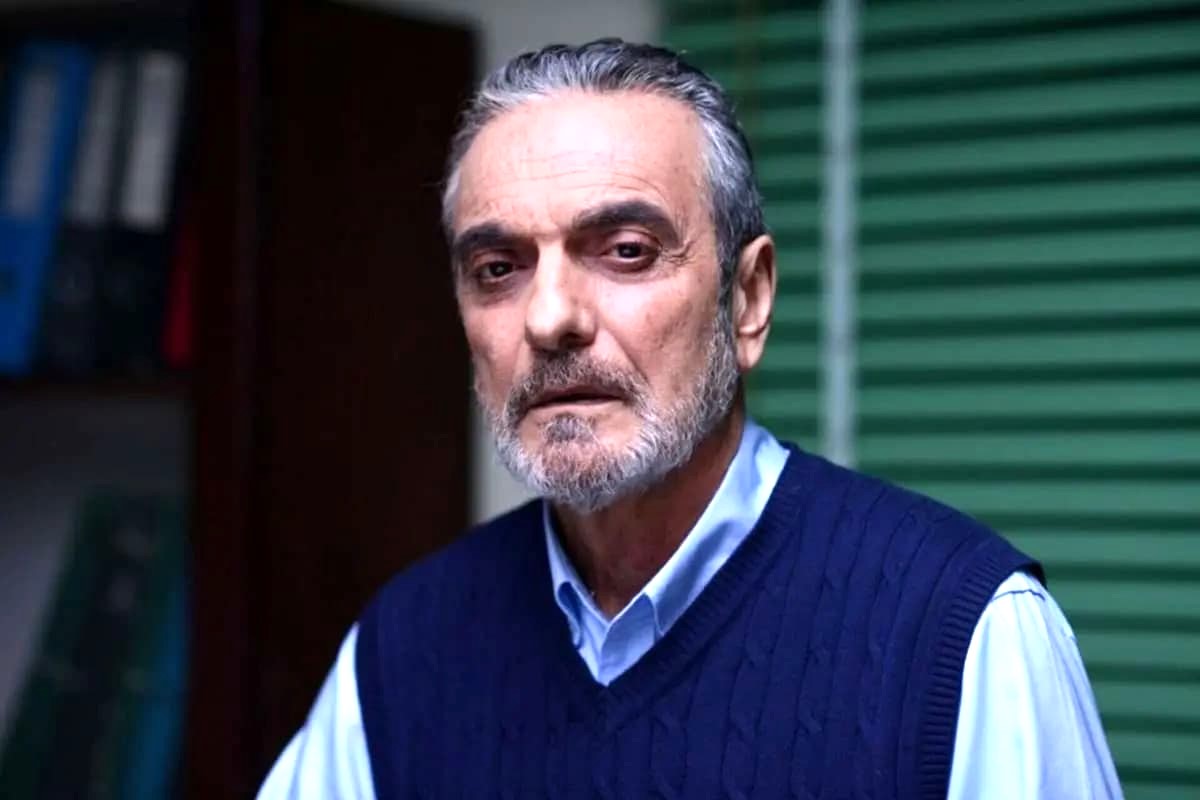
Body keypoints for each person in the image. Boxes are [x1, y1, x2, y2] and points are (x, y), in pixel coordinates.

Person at [258, 39, 1123, 799]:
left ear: (747, 300)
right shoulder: (402, 650)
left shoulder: (962, 635)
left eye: (626, 251)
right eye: (497, 268)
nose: (549, 317)